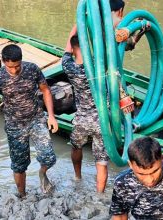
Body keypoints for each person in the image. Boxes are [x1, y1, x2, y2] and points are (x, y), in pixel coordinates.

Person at [0, 44, 58, 198]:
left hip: (36, 119)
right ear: (4, 61)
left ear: (21, 60)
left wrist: (51, 116)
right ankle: (22, 195)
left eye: (17, 66)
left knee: (49, 157)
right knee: (19, 166)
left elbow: (45, 90)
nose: (14, 70)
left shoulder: (32, 69)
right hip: (14, 126)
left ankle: (42, 173)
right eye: (10, 67)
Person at [62, 26, 110, 193]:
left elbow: (68, 48)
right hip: (102, 120)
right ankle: (100, 194)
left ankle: (77, 177)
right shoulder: (100, 65)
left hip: (82, 119)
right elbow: (106, 43)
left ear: (75, 49)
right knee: (102, 160)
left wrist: (76, 25)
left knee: (76, 146)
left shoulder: (69, 67)